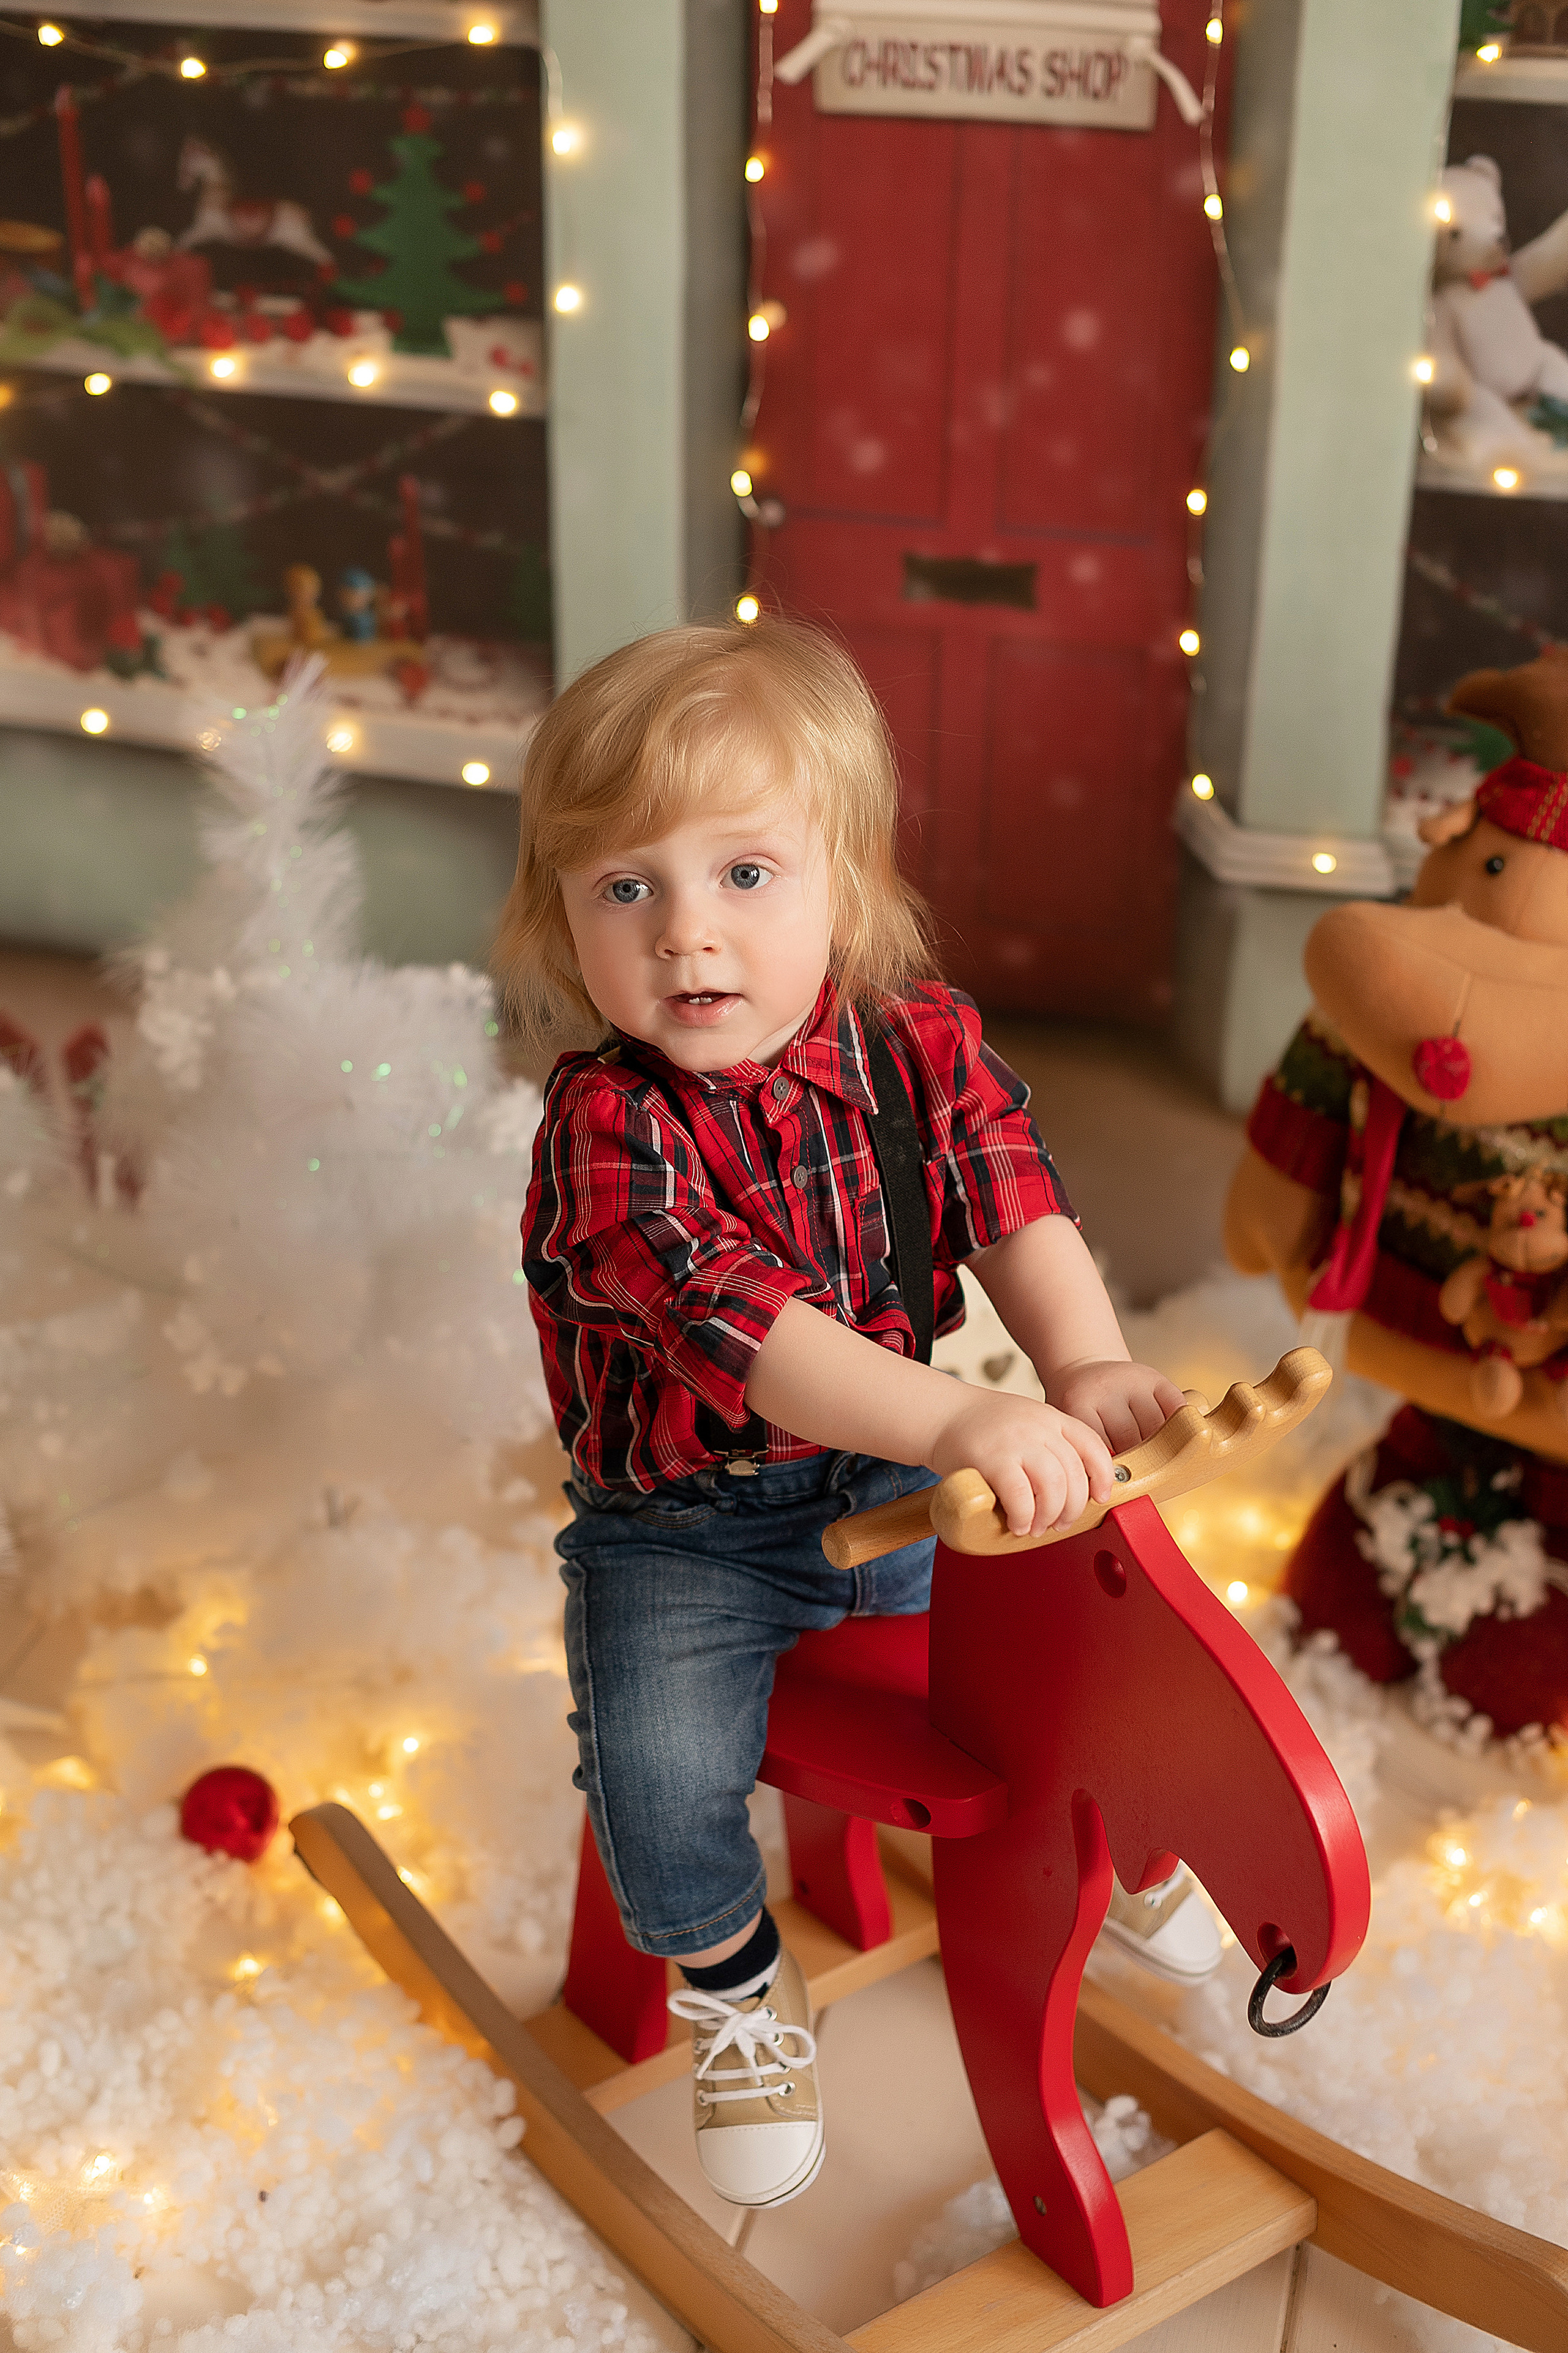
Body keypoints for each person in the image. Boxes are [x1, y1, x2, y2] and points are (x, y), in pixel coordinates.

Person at [502, 620, 1206, 2215]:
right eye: (628, 887)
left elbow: (1012, 1196)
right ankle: (734, 1979)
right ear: (563, 914)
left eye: (745, 874)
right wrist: (968, 1415)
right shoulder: (606, 1133)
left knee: (1082, 1631)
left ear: (849, 880)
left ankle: (1139, 1841)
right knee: (664, 1769)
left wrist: (1082, 1360)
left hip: (901, 1477)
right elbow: (755, 1334)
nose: (689, 934)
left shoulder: (915, 1039)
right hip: (691, 1532)